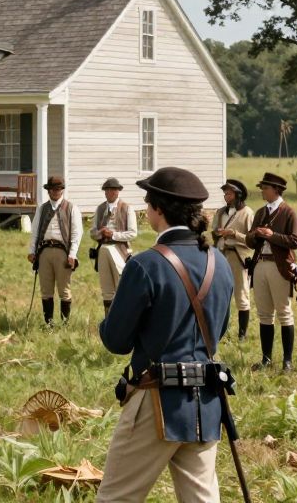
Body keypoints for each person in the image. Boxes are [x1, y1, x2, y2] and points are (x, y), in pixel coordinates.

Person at [96, 166, 233, 502]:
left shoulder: (146, 264)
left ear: (157, 210)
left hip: (156, 399)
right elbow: (219, 329)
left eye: (148, 203)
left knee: (115, 498)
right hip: (206, 402)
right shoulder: (219, 262)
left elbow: (115, 340)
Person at [245, 172, 297, 371]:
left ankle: (287, 361)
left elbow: (295, 241)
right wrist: (256, 235)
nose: (262, 190)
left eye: (265, 188)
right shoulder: (260, 213)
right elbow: (249, 241)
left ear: (276, 190)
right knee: (264, 314)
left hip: (280, 267)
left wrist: (272, 235)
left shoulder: (289, 212)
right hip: (260, 265)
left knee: (284, 313)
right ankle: (266, 359)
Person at [27, 176, 83, 325]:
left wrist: (72, 254)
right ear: (48, 191)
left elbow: (77, 233)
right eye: (52, 189)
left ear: (62, 190)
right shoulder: (42, 208)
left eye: (58, 189)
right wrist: (32, 250)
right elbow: (34, 231)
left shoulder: (71, 208)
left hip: (62, 252)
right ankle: (49, 323)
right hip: (44, 251)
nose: (55, 192)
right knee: (46, 290)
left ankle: (65, 323)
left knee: (64, 289)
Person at [212, 179, 255, 340]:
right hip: (221, 255)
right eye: (225, 193)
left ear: (238, 195)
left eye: (228, 194)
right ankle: (221, 329)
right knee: (220, 293)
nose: (226, 197)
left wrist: (234, 234)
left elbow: (252, 240)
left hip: (238, 257)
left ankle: (242, 334)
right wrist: (218, 233)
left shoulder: (248, 213)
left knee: (241, 293)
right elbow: (214, 231)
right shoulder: (221, 212)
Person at [89, 178, 138, 315]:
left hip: (120, 250)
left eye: (113, 190)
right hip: (103, 249)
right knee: (106, 288)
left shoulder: (127, 208)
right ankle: (109, 319)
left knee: (121, 285)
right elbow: (92, 232)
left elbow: (133, 233)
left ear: (118, 192)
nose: (110, 192)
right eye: (108, 190)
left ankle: (124, 317)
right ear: (105, 192)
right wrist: (101, 233)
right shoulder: (100, 209)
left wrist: (113, 235)